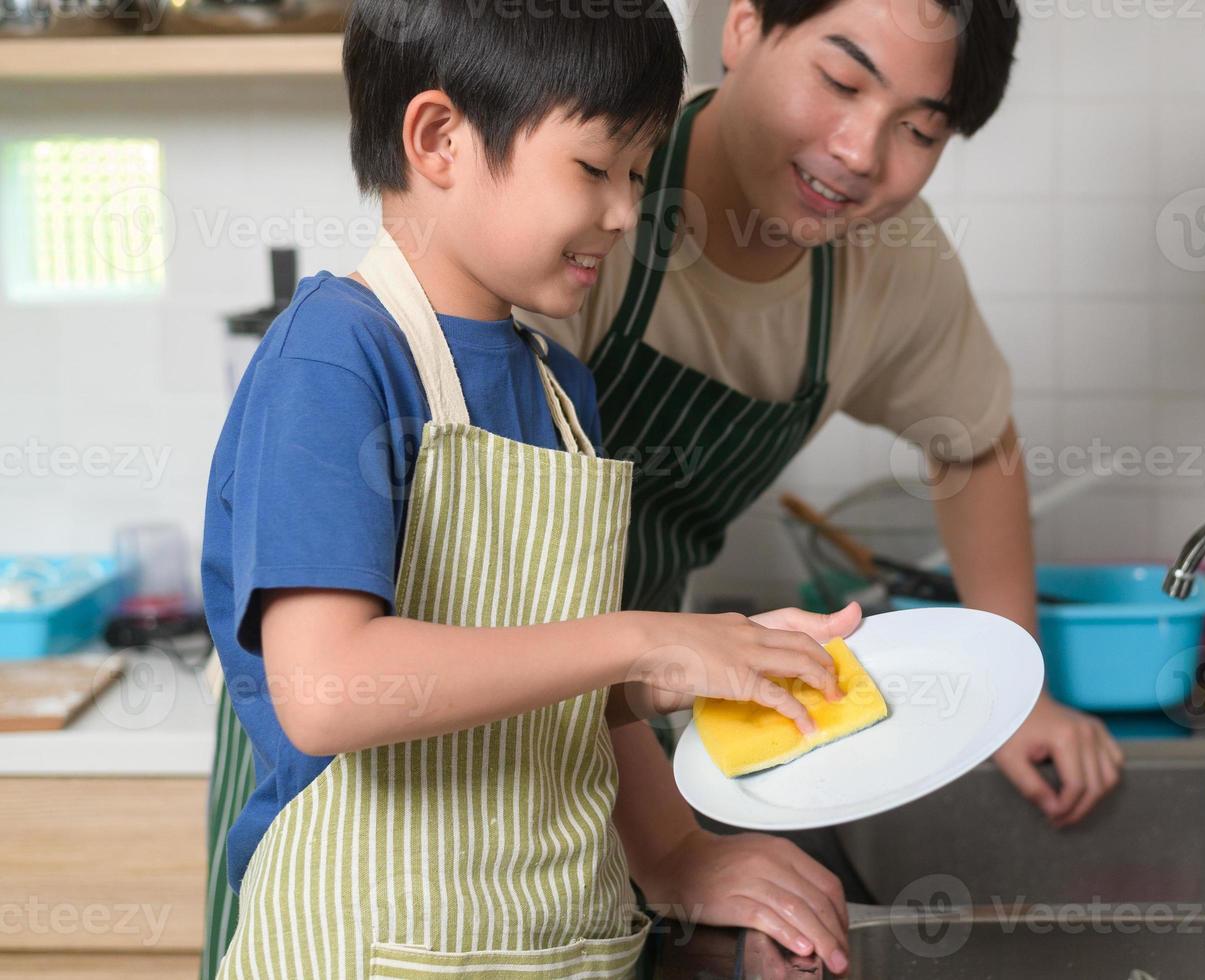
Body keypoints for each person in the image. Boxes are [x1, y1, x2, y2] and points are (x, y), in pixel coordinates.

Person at [200, 2, 860, 975]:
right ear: (438, 138)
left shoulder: (558, 388)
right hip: (368, 943)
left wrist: (680, 791)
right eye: (595, 168)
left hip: (557, 943)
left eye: (638, 174)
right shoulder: (339, 353)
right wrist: (646, 634)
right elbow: (330, 686)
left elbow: (563, 685)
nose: (628, 211)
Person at [517, 0, 1128, 964]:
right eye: (840, 83)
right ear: (744, 28)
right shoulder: (597, 191)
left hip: (626, 709)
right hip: (456, 698)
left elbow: (971, 442)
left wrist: (1008, 677)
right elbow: (503, 593)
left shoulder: (890, 261)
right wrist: (669, 846)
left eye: (919, 129)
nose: (859, 150)